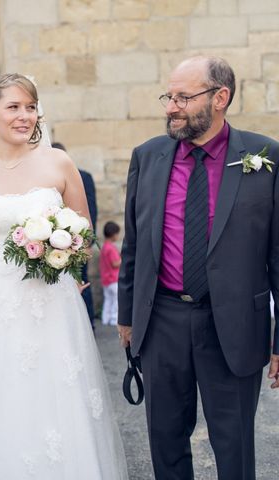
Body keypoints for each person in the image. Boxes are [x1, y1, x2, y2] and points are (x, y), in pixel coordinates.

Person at [0, 74, 127, 479]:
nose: (24, 116)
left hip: (50, 307)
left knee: (54, 405)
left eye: (31, 107)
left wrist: (62, 250)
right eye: (13, 107)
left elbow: (84, 232)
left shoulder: (58, 163)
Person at [118, 56, 279, 480]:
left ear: (220, 98)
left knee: (234, 444)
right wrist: (127, 318)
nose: (171, 106)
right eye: (168, 96)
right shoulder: (148, 156)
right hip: (162, 321)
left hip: (235, 323)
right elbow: (134, 245)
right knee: (165, 440)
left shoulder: (266, 157)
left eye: (183, 97)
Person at [52, 141, 97, 327]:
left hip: (74, 243)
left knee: (81, 283)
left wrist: (83, 243)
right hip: (48, 244)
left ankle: (87, 324)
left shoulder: (83, 176)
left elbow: (90, 210)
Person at [99, 221, 121, 326]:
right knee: (116, 300)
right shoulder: (111, 248)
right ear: (113, 234)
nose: (118, 236)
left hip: (106, 279)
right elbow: (115, 264)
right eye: (117, 233)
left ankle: (105, 318)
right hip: (114, 279)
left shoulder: (104, 247)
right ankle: (113, 319)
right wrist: (123, 259)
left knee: (108, 300)